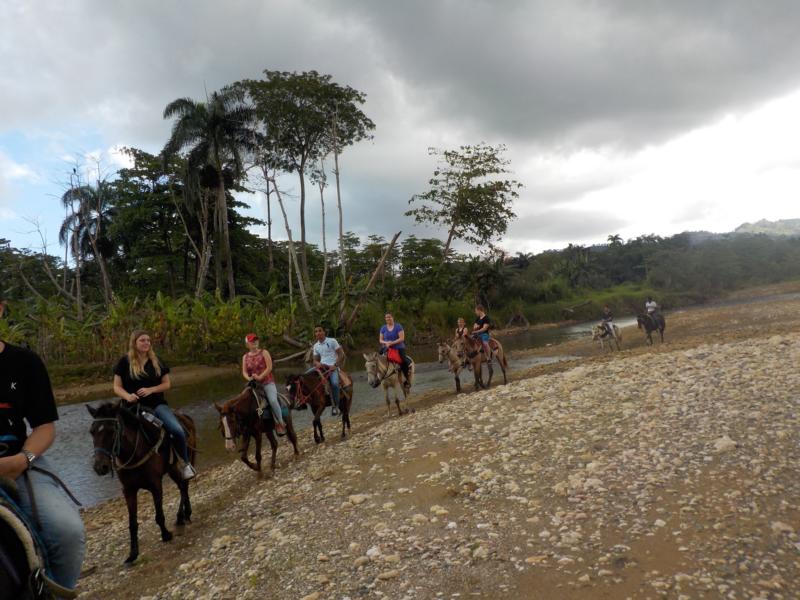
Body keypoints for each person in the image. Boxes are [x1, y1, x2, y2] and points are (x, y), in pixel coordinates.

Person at [0, 338, 86, 593]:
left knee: (67, 532)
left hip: (16, 463)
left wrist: (22, 459)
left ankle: (54, 593)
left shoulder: (25, 362)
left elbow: (45, 428)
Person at [113, 330, 195, 480]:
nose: (146, 343)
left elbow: (167, 384)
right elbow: (117, 387)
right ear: (134, 343)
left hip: (156, 405)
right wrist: (128, 396)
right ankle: (118, 466)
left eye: (148, 340)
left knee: (177, 430)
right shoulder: (124, 362)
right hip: (133, 408)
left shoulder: (157, 361)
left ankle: (185, 464)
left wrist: (151, 389)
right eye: (142, 340)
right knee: (114, 432)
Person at [242, 333, 286, 436]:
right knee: (243, 400)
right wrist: (249, 378)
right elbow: (244, 371)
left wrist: (260, 377)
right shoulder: (245, 357)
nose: (255, 342)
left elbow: (269, 367)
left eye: (256, 340)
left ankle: (280, 423)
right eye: (252, 341)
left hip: (267, 382)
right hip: (253, 384)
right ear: (247, 344)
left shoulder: (264, 352)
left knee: (272, 400)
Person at [310, 325, 344, 416]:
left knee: (335, 384)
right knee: (304, 376)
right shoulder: (316, 346)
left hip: (332, 367)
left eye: (320, 330)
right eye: (316, 331)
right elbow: (314, 360)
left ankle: (336, 406)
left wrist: (335, 365)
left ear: (324, 332)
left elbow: (341, 354)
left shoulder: (332, 341)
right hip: (322, 367)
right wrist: (317, 363)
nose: (318, 333)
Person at [379, 312, 411, 390]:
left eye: (389, 317)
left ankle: (407, 380)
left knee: (403, 361)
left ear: (392, 317)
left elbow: (402, 338)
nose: (388, 318)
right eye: (386, 317)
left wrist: (392, 343)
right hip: (387, 347)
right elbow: (380, 340)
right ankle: (378, 378)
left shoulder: (398, 326)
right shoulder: (383, 328)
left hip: (398, 347)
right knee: (377, 358)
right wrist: (386, 343)